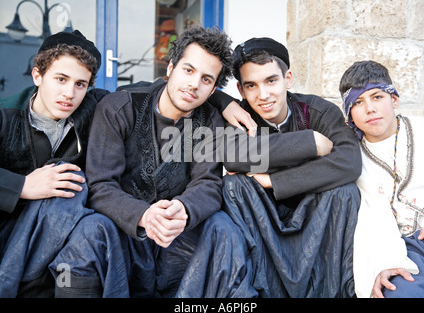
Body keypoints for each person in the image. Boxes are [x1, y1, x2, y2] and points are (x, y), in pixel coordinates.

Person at [49, 26, 257, 298]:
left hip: (178, 235)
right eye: (188, 70)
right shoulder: (119, 108)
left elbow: (207, 182)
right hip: (123, 231)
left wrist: (184, 208)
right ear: (171, 67)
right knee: (88, 232)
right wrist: (144, 215)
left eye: (206, 80)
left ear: (214, 89)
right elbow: (101, 185)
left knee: (223, 227)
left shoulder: (211, 120)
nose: (194, 84)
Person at [212, 37, 362, 297]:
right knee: (233, 186)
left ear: (288, 78)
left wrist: (275, 181)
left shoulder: (318, 111)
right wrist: (310, 142)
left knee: (346, 192)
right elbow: (234, 156)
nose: (263, 95)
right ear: (241, 89)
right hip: (262, 223)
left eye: (271, 81)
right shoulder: (239, 117)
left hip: (315, 220)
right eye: (251, 85)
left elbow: (349, 161)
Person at [0, 30, 108, 297]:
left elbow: (154, 93)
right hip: (7, 245)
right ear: (38, 75)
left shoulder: (94, 109)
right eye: (61, 79)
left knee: (87, 212)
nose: (69, 93)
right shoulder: (5, 115)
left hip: (61, 246)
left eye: (80, 84)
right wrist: (21, 185)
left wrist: (221, 100)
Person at [340, 60, 424, 298]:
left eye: (377, 97)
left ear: (394, 99)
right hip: (400, 249)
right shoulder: (349, 156)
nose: (370, 108)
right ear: (349, 114)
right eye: (358, 102)